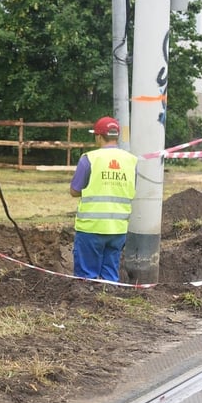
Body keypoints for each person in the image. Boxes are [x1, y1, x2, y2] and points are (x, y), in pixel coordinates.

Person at [69, 116, 137, 282]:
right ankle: (109, 304)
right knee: (110, 276)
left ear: (99, 136)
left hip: (91, 228)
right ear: (117, 136)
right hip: (117, 229)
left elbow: (74, 190)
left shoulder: (89, 159)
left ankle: (87, 305)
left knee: (86, 278)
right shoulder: (131, 161)